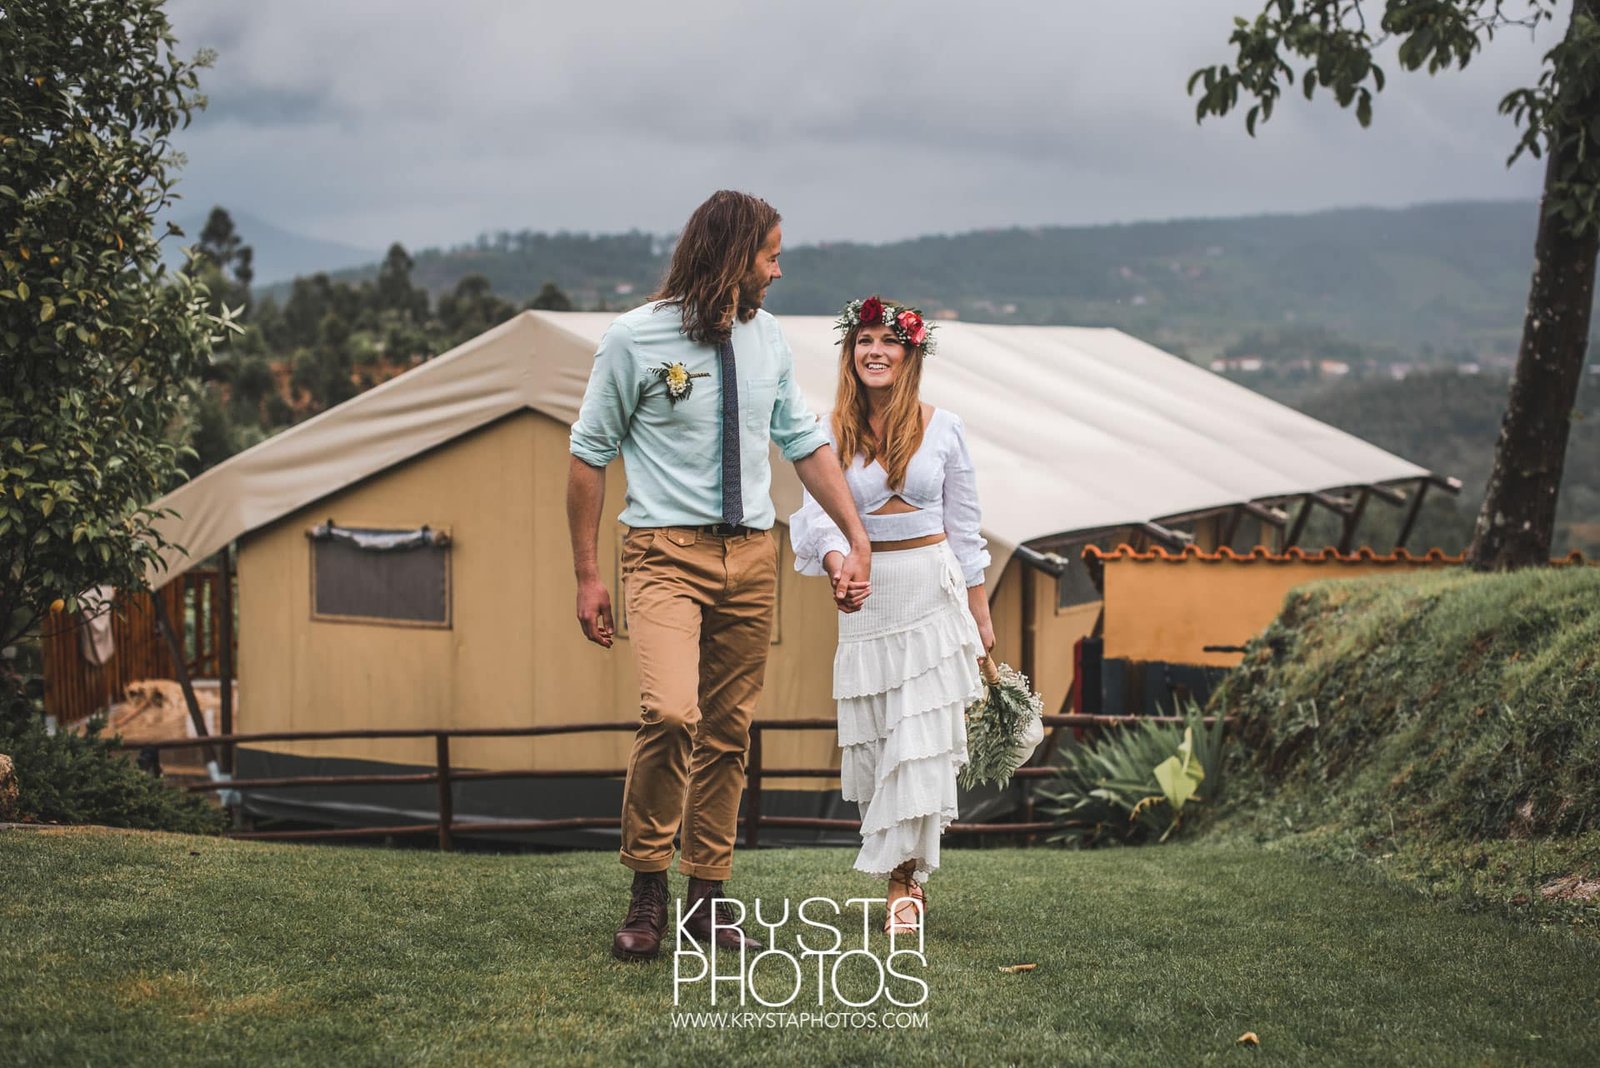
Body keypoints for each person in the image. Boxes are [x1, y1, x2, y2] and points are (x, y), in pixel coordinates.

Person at [567, 191, 871, 963]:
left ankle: (707, 897)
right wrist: (587, 576)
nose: (778, 268)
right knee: (672, 714)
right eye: (770, 254)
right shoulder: (634, 339)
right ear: (735, 257)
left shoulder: (767, 339)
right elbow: (588, 456)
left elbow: (804, 442)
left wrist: (856, 538)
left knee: (729, 731)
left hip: (752, 557)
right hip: (663, 552)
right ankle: (647, 890)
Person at [789, 295, 995, 934]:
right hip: (870, 595)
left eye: (888, 341)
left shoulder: (945, 427)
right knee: (883, 743)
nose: (874, 351)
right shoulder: (823, 430)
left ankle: (906, 883)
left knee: (921, 741)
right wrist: (838, 568)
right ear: (850, 355)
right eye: (863, 341)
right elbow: (815, 520)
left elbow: (964, 529)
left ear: (910, 354)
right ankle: (897, 870)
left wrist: (980, 615)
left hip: (932, 589)